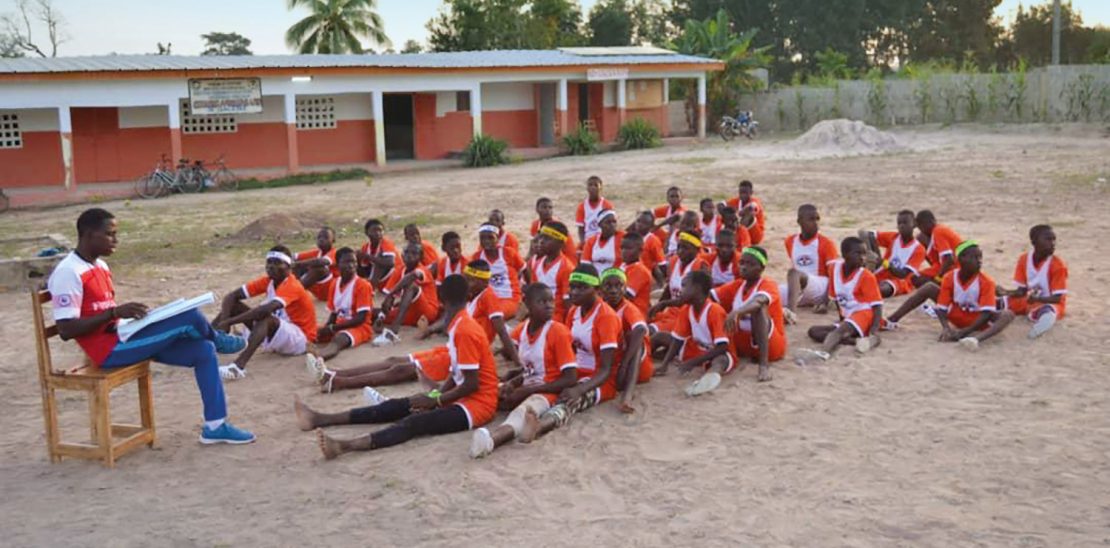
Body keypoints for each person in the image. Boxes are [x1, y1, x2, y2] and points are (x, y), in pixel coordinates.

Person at [47, 208, 254, 444]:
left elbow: (106, 314)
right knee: (190, 316)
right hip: (109, 351)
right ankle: (218, 339)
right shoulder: (68, 272)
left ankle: (215, 427)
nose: (116, 240)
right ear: (88, 234)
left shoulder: (101, 266)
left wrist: (133, 318)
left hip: (125, 335)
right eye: (109, 234)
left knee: (203, 350)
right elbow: (66, 330)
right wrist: (113, 313)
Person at [296, 275, 499, 459]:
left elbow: (471, 384)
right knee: (399, 406)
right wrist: (435, 397)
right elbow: (457, 375)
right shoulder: (460, 324)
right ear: (469, 297)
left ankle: (344, 446)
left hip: (477, 406)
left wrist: (436, 402)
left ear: (440, 298)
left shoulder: (464, 329)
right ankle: (321, 418)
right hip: (465, 397)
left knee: (414, 423)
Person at [514, 264, 621, 444]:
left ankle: (540, 426)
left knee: (570, 400)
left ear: (596, 289)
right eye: (572, 287)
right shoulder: (573, 311)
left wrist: (579, 389)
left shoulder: (606, 317)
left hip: (599, 379)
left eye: (581, 288)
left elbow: (605, 369)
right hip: (575, 371)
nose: (574, 292)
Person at [468, 283, 578, 458]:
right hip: (528, 385)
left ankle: (491, 442)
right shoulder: (523, 330)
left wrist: (527, 390)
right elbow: (527, 369)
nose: (549, 305)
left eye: (551, 301)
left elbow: (571, 378)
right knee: (488, 393)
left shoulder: (558, 332)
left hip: (548, 390)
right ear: (527, 303)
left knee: (522, 412)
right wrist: (512, 383)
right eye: (542, 301)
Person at [214, 245, 318, 380]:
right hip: (279, 332)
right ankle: (211, 340)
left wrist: (229, 321)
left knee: (265, 318)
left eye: (277, 263)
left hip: (300, 339)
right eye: (269, 262)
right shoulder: (269, 281)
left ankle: (238, 367)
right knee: (233, 306)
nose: (271, 266)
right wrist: (225, 322)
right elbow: (231, 296)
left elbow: (265, 310)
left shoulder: (292, 285)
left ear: (288, 267)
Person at [886, 241, 1014, 350]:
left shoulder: (986, 282)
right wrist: (946, 328)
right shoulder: (950, 277)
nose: (979, 261)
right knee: (929, 288)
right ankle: (891, 320)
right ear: (961, 259)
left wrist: (966, 331)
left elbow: (986, 313)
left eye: (980, 258)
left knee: (1007, 314)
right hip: (956, 314)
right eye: (975, 257)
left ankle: (976, 339)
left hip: (978, 320)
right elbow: (941, 308)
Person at [795, 237, 883, 364]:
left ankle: (824, 353)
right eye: (858, 253)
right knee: (814, 331)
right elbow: (836, 299)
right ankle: (856, 341)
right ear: (845, 255)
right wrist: (842, 318)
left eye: (864, 254)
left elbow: (877, 306)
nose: (863, 258)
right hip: (849, 317)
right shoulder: (834, 270)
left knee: (838, 332)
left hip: (863, 314)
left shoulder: (866, 276)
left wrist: (873, 331)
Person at [655, 270, 736, 397]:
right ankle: (643, 359)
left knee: (720, 361)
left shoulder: (715, 310)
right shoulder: (686, 309)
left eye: (684, 286)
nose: (680, 291)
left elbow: (722, 346)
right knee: (660, 336)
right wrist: (664, 364)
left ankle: (706, 381)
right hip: (696, 349)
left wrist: (693, 362)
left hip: (716, 352)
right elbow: (677, 340)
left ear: (697, 288)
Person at [714, 246, 786, 382]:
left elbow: (759, 301)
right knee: (715, 309)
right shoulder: (737, 285)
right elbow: (710, 297)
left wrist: (737, 312)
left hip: (771, 346)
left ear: (761, 268)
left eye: (750, 264)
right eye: (742, 263)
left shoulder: (768, 284)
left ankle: (763, 365)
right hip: (744, 344)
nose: (744, 267)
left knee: (757, 310)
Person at [998, 225, 1068, 339]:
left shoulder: (1058, 265)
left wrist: (1037, 299)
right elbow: (1021, 291)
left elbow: (1057, 298)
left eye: (1054, 239)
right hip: (1030, 299)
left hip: (1050, 302)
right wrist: (1005, 292)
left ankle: (1042, 323)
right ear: (1034, 241)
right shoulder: (1024, 259)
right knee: (1001, 301)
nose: (1053, 243)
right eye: (1048, 239)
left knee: (1049, 310)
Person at [599, 268, 653, 413]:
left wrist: (624, 364)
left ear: (625, 288)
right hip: (614, 361)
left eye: (619, 286)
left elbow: (640, 330)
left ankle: (627, 396)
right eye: (608, 286)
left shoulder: (628, 308)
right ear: (600, 289)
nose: (613, 290)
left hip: (633, 366)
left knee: (635, 341)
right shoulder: (600, 308)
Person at [307, 247, 374, 363]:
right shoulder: (334, 283)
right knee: (313, 332)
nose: (351, 265)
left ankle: (320, 357)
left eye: (353, 262)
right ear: (338, 265)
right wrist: (327, 327)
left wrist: (333, 328)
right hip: (340, 324)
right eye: (346, 262)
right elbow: (334, 312)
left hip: (360, 327)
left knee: (339, 339)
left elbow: (361, 318)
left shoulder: (363, 285)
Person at [649, 230, 710, 347]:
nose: (680, 251)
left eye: (686, 248)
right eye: (679, 247)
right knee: (641, 323)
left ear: (697, 250)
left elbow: (687, 299)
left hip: (686, 315)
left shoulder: (701, 267)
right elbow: (669, 287)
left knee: (650, 332)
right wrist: (659, 305)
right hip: (671, 311)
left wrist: (663, 304)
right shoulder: (674, 261)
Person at [373, 242, 440, 346]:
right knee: (373, 312)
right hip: (408, 313)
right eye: (407, 252)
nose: (410, 256)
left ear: (420, 257)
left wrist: (390, 295)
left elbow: (412, 276)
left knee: (411, 286)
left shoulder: (422, 270)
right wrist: (381, 317)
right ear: (402, 255)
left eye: (414, 253)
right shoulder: (399, 270)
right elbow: (390, 300)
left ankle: (393, 333)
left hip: (426, 312)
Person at [781, 204, 839, 318]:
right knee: (770, 292)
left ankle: (791, 313)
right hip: (800, 287)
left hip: (821, 287)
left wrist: (826, 300)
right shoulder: (790, 241)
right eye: (811, 219)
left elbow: (833, 275)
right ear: (799, 221)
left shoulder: (826, 243)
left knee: (793, 273)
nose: (816, 223)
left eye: (817, 219)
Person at [860, 210, 926, 298]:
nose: (901, 226)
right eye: (899, 223)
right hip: (882, 273)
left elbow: (903, 274)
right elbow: (868, 234)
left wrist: (883, 262)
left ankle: (866, 291)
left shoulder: (919, 249)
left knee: (884, 289)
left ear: (914, 224)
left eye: (905, 223)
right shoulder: (894, 237)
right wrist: (871, 253)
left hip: (900, 281)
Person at [472, 223, 525, 316]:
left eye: (490, 238)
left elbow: (524, 270)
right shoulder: (477, 257)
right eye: (482, 238)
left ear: (497, 238)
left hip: (509, 298)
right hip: (488, 299)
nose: (486, 241)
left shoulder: (509, 253)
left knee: (494, 314)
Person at [526, 221, 575, 321]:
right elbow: (534, 291)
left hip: (555, 314)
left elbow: (568, 303)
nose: (541, 241)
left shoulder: (566, 268)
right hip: (538, 311)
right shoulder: (536, 263)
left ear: (561, 243)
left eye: (547, 239)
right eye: (541, 237)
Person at [913, 210, 963, 288]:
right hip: (954, 267)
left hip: (956, 268)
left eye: (921, 227)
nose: (921, 231)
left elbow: (949, 260)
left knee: (917, 279)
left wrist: (938, 277)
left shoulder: (938, 232)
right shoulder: (937, 231)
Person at [292, 227, 338, 302]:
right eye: (319, 237)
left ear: (333, 240)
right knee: (298, 267)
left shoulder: (335, 252)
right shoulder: (316, 253)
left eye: (326, 237)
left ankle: (292, 292)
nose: (321, 239)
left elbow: (322, 261)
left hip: (332, 291)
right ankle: (292, 290)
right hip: (319, 292)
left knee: (319, 268)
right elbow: (294, 256)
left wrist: (298, 264)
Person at [357, 218, 400, 288]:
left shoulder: (386, 243)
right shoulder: (366, 247)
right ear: (366, 233)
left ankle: (371, 289)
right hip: (381, 278)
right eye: (374, 230)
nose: (377, 233)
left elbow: (390, 263)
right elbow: (364, 269)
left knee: (380, 262)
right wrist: (358, 259)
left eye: (380, 230)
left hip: (395, 274)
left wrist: (367, 256)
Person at [618, 233, 654, 315]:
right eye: (622, 248)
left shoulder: (640, 270)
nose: (623, 251)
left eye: (628, 248)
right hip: (624, 310)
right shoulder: (624, 265)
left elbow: (626, 296)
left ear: (640, 251)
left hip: (634, 313)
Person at [723, 180, 766, 245]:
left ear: (751, 193)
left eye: (745, 193)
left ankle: (738, 236)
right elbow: (722, 204)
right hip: (742, 231)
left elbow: (752, 206)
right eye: (741, 193)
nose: (743, 195)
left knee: (748, 214)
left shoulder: (755, 201)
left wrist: (739, 213)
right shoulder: (736, 201)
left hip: (756, 235)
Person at [575, 175, 615, 245]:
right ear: (587, 188)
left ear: (601, 187)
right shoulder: (582, 206)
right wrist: (583, 242)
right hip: (588, 240)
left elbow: (611, 226)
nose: (593, 187)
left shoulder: (607, 205)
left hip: (603, 239)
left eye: (596, 185)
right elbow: (581, 229)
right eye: (590, 185)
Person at [629, 210, 667, 281]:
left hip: (644, 276)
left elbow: (661, 263)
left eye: (644, 223)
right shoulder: (631, 237)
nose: (640, 224)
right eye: (638, 221)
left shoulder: (653, 240)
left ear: (651, 226)